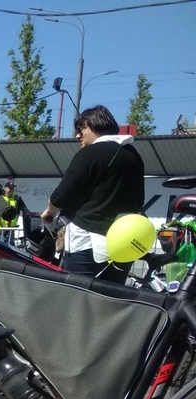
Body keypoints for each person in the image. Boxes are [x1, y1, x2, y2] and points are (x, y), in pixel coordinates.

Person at [40, 104, 145, 282]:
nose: (77, 135)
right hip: (123, 243)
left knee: (79, 298)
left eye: (82, 129)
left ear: (96, 125)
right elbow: (138, 200)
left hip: (87, 242)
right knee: (111, 298)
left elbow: (62, 195)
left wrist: (48, 212)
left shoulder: (91, 153)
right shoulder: (133, 155)